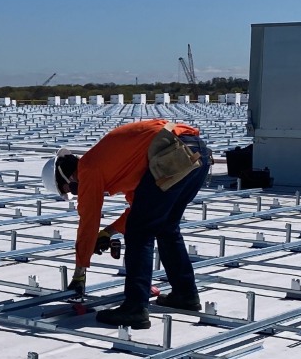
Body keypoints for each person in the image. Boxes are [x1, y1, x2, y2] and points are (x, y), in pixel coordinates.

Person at [43, 118, 211, 329]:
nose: (78, 193)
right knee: (166, 227)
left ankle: (135, 308)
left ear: (68, 177)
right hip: (196, 153)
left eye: (72, 190)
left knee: (140, 233)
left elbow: (89, 219)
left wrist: (80, 270)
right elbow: (135, 210)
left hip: (173, 153)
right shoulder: (119, 165)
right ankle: (185, 295)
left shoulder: (88, 167)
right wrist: (108, 232)